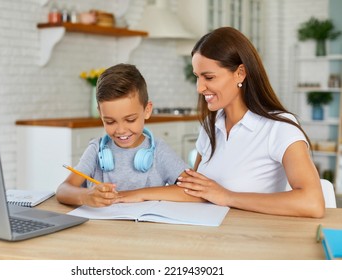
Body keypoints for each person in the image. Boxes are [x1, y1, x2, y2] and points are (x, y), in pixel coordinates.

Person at [115, 27, 325, 218]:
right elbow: (195, 190)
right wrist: (134, 195)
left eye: (209, 77)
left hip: (254, 243)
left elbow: (312, 203)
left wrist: (227, 196)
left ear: (240, 73)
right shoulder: (210, 125)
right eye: (197, 77)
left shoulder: (280, 127)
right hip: (208, 237)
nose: (199, 87)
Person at [56, 63, 192, 207]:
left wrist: (138, 194)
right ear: (100, 113)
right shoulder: (96, 149)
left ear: (147, 110)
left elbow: (193, 191)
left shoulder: (160, 150)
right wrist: (86, 196)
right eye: (110, 121)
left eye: (130, 120)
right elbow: (63, 190)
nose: (120, 130)